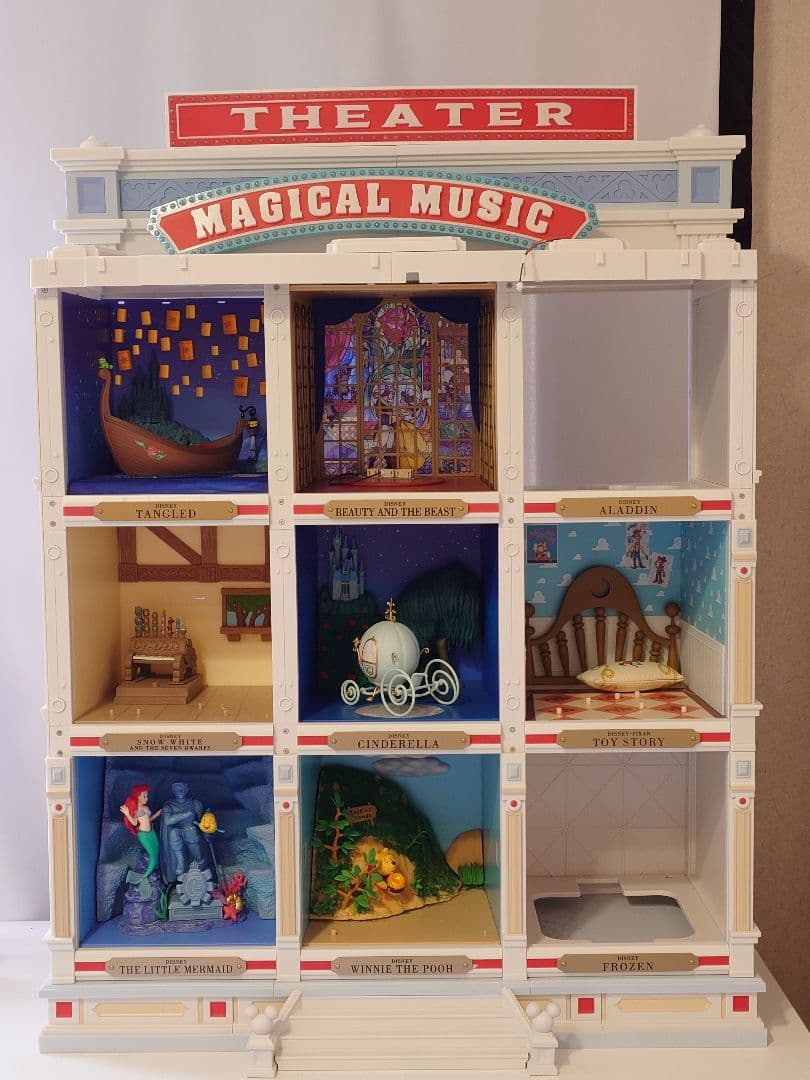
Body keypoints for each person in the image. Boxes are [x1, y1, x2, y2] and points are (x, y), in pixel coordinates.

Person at [159, 781, 205, 883]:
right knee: (173, 833)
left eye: (182, 787)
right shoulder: (169, 806)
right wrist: (187, 813)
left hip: (191, 831)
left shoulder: (194, 803)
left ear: (186, 789)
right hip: (177, 834)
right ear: (173, 790)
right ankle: (180, 862)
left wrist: (208, 830)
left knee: (198, 858)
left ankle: (199, 877)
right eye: (177, 788)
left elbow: (202, 821)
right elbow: (168, 820)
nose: (180, 790)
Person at [119, 784, 162, 878]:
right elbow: (134, 823)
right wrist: (127, 813)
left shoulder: (145, 808)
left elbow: (149, 820)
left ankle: (152, 872)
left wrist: (159, 813)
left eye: (147, 796)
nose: (147, 798)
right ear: (138, 797)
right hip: (144, 835)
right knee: (152, 855)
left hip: (151, 832)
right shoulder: (137, 810)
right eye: (144, 796)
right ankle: (143, 877)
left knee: (156, 850)